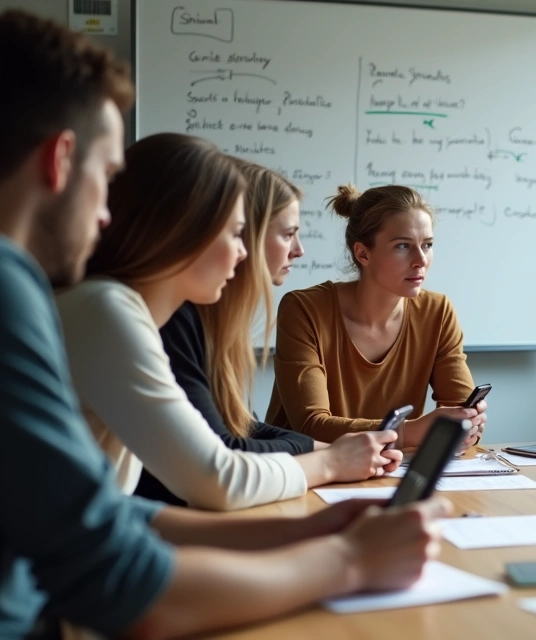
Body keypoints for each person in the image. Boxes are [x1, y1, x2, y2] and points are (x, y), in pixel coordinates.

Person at [0, 10, 445, 638]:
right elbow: (128, 572)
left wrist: (308, 529)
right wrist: (347, 560)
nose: (105, 214)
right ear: (59, 160)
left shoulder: (80, 303)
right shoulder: (76, 301)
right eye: (104, 175)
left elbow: (120, 516)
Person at [57, 133, 403, 510]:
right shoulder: (107, 311)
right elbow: (218, 478)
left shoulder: (115, 309)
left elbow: (127, 515)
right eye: (237, 233)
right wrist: (333, 462)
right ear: (185, 230)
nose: (243, 253)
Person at [135, 160, 319, 505]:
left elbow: (244, 426)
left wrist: (335, 450)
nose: (299, 250)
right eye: (288, 233)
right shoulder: (174, 320)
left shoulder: (218, 324)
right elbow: (225, 450)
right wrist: (330, 461)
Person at [266, 183, 486, 448]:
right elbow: (312, 425)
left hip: (390, 471)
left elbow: (459, 412)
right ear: (363, 253)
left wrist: (468, 424)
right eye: (403, 246)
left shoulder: (437, 312)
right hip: (305, 474)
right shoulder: (304, 309)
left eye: (427, 245)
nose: (421, 260)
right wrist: (410, 432)